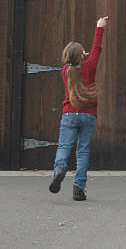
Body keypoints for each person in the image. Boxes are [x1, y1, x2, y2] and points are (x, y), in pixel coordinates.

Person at [49, 16, 109, 201]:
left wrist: (80, 55)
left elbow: (76, 62)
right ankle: (78, 188)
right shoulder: (89, 66)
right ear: (82, 56)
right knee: (82, 151)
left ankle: (60, 168)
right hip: (88, 115)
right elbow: (97, 49)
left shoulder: (65, 71)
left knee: (64, 146)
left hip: (69, 114)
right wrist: (99, 27)